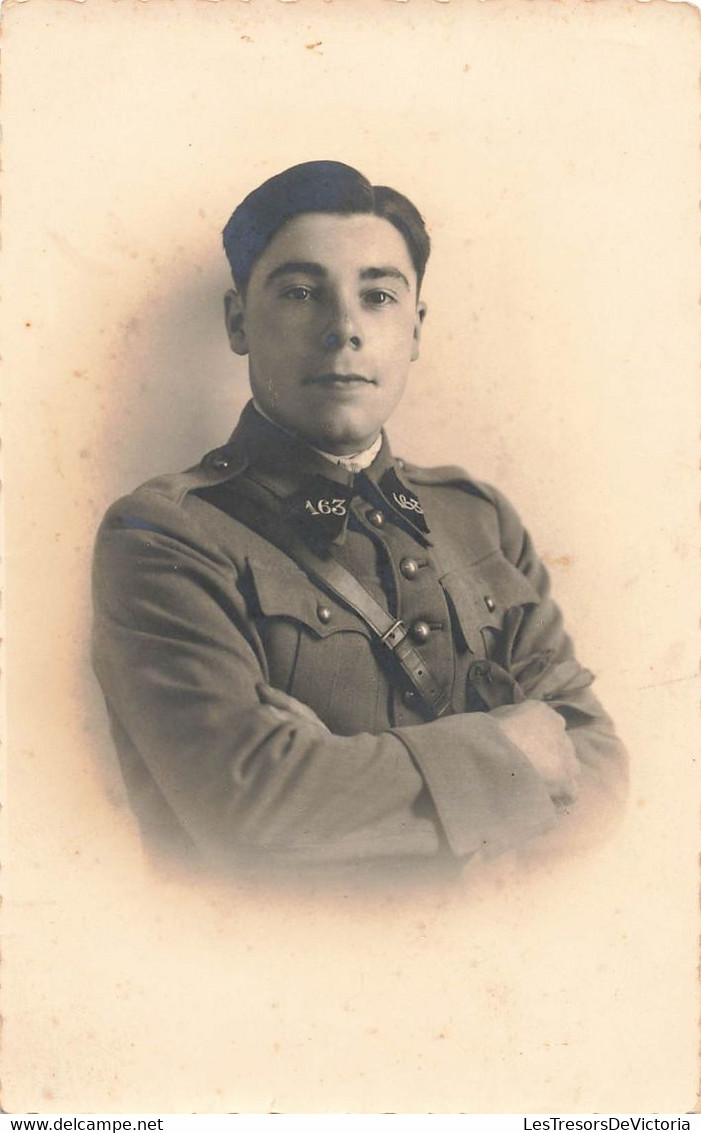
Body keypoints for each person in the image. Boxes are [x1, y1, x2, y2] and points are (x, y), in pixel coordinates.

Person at [92, 160, 627, 881]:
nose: (343, 328)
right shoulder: (167, 534)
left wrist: (335, 777)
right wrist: (510, 759)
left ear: (415, 329)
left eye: (377, 295)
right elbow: (247, 807)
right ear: (238, 321)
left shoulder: (477, 519)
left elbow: (598, 774)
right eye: (302, 292)